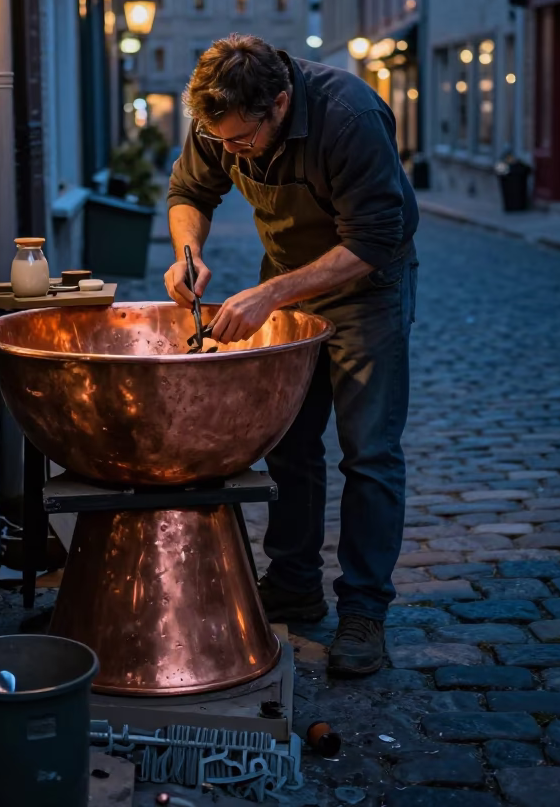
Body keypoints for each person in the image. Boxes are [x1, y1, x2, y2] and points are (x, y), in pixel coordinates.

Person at [164, 34, 419, 677]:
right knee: (290, 442)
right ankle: (295, 583)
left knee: (370, 451)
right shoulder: (223, 116)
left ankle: (363, 611)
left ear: (279, 104)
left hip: (368, 290)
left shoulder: (350, 117)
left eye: (242, 143)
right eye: (219, 140)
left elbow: (377, 239)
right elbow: (190, 193)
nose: (230, 152)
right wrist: (186, 254)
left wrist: (271, 293)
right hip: (284, 281)